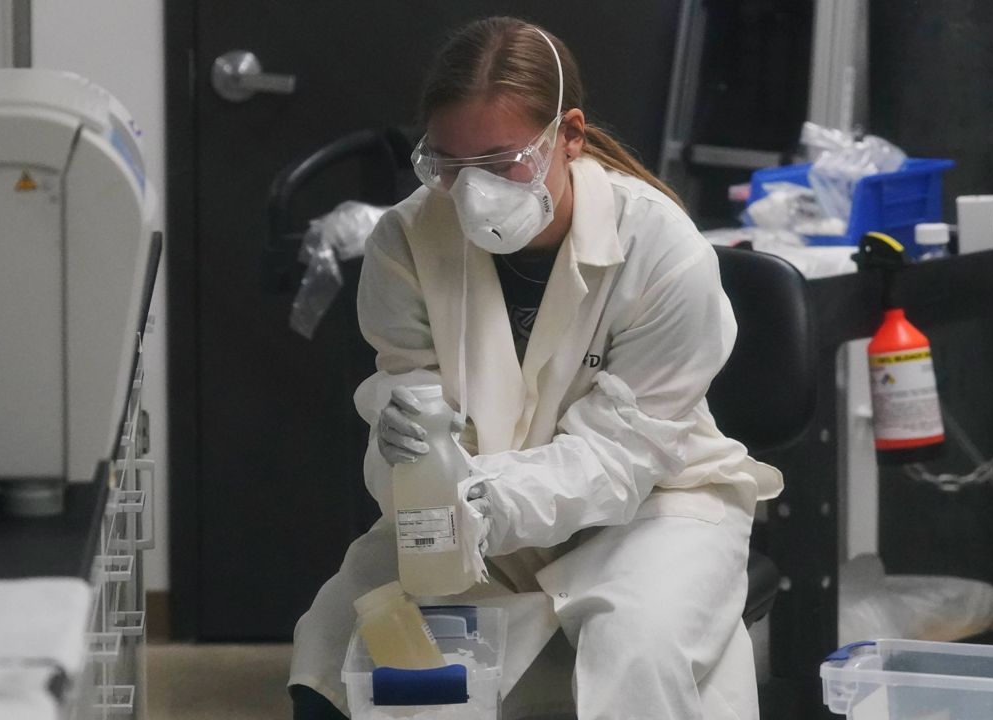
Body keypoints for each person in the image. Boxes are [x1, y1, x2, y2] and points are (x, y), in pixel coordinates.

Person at [288, 16, 782, 720]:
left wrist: (478, 491)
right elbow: (411, 413)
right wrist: (402, 455)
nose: (469, 194)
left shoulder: (664, 252)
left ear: (569, 135)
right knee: (339, 637)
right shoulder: (406, 240)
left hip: (657, 505)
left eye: (498, 163)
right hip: (473, 512)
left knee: (635, 646)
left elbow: (619, 458)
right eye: (449, 167)